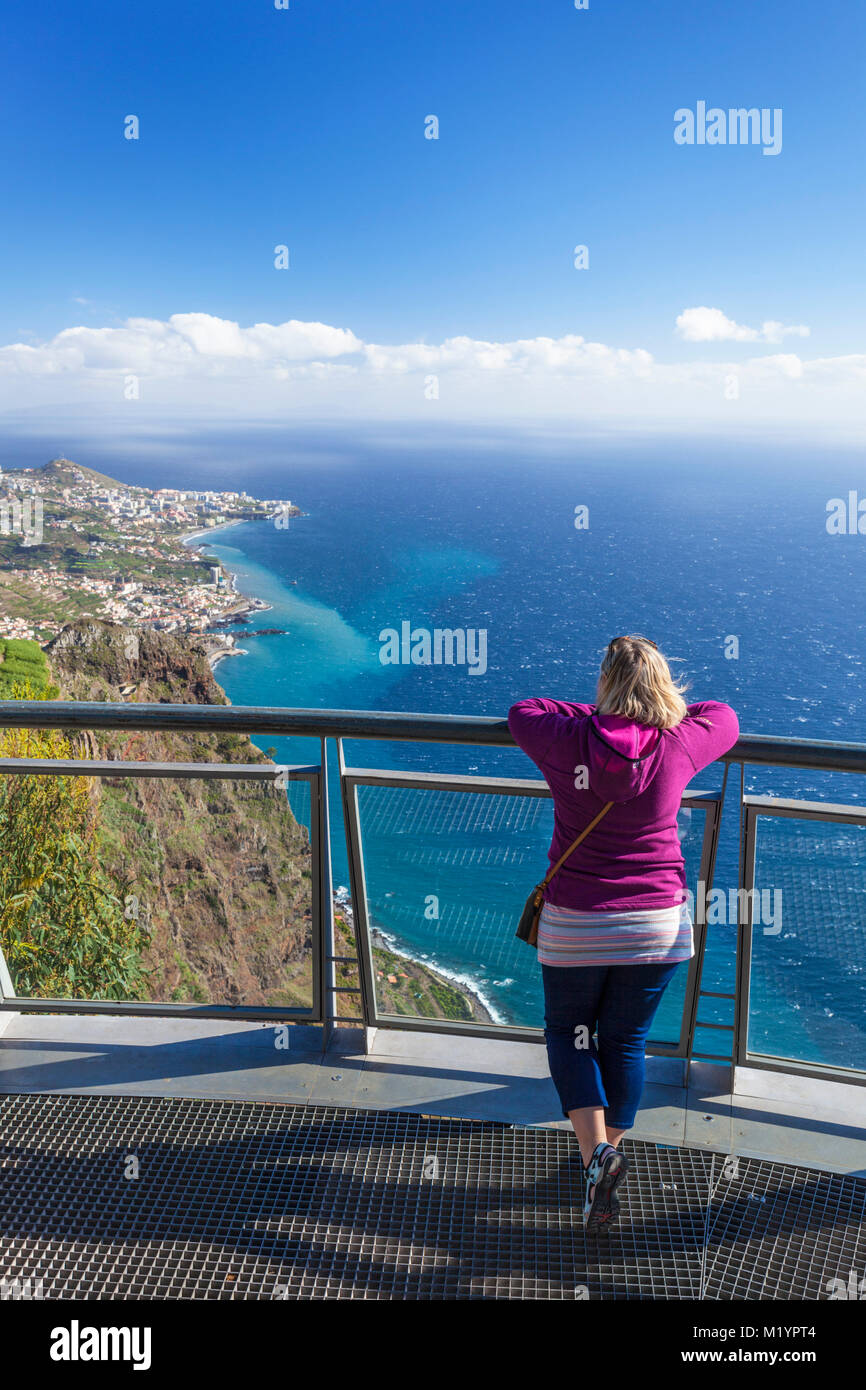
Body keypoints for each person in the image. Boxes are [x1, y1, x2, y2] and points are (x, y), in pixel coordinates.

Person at [508, 635, 739, 1233]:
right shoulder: (678, 742)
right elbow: (726, 717)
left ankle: (596, 1158)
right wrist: (656, 715)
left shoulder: (569, 739)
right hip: (656, 924)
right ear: (660, 685)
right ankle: (605, 1156)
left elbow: (524, 710)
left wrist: (596, 715)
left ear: (605, 684)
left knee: (570, 1033)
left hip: (578, 921)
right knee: (626, 1041)